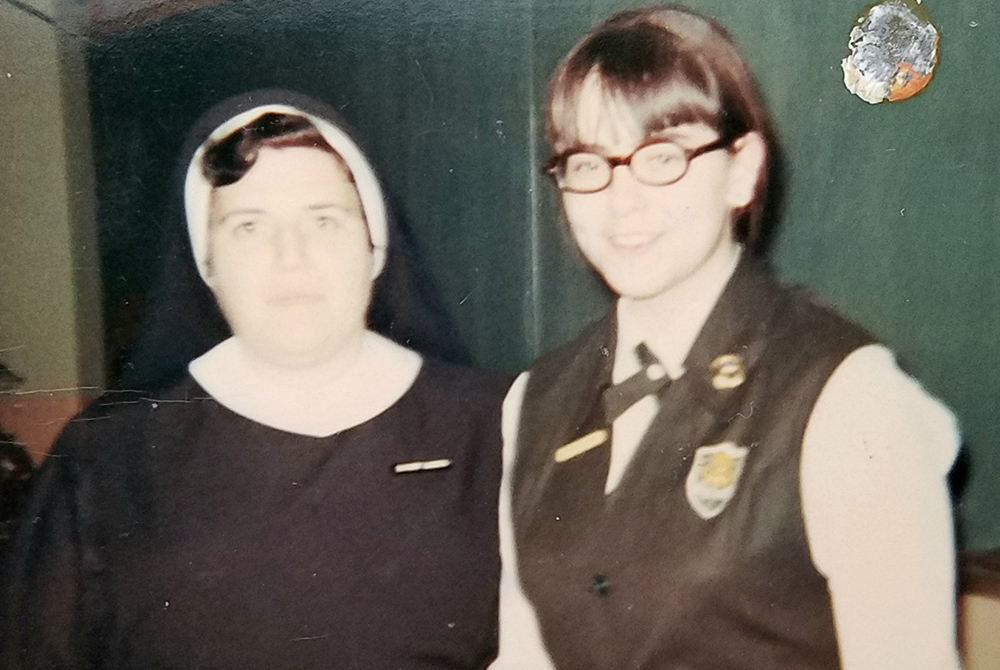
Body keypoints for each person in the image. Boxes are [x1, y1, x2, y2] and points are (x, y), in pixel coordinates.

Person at [493, 6, 961, 669]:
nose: (620, 198)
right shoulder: (531, 401)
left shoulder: (849, 397)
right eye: (589, 162)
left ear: (741, 170)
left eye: (662, 156)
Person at [2, 91, 504, 669]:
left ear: (374, 244)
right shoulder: (105, 458)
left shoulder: (497, 425)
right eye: (248, 227)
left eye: (323, 220)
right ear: (206, 262)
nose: (291, 257)